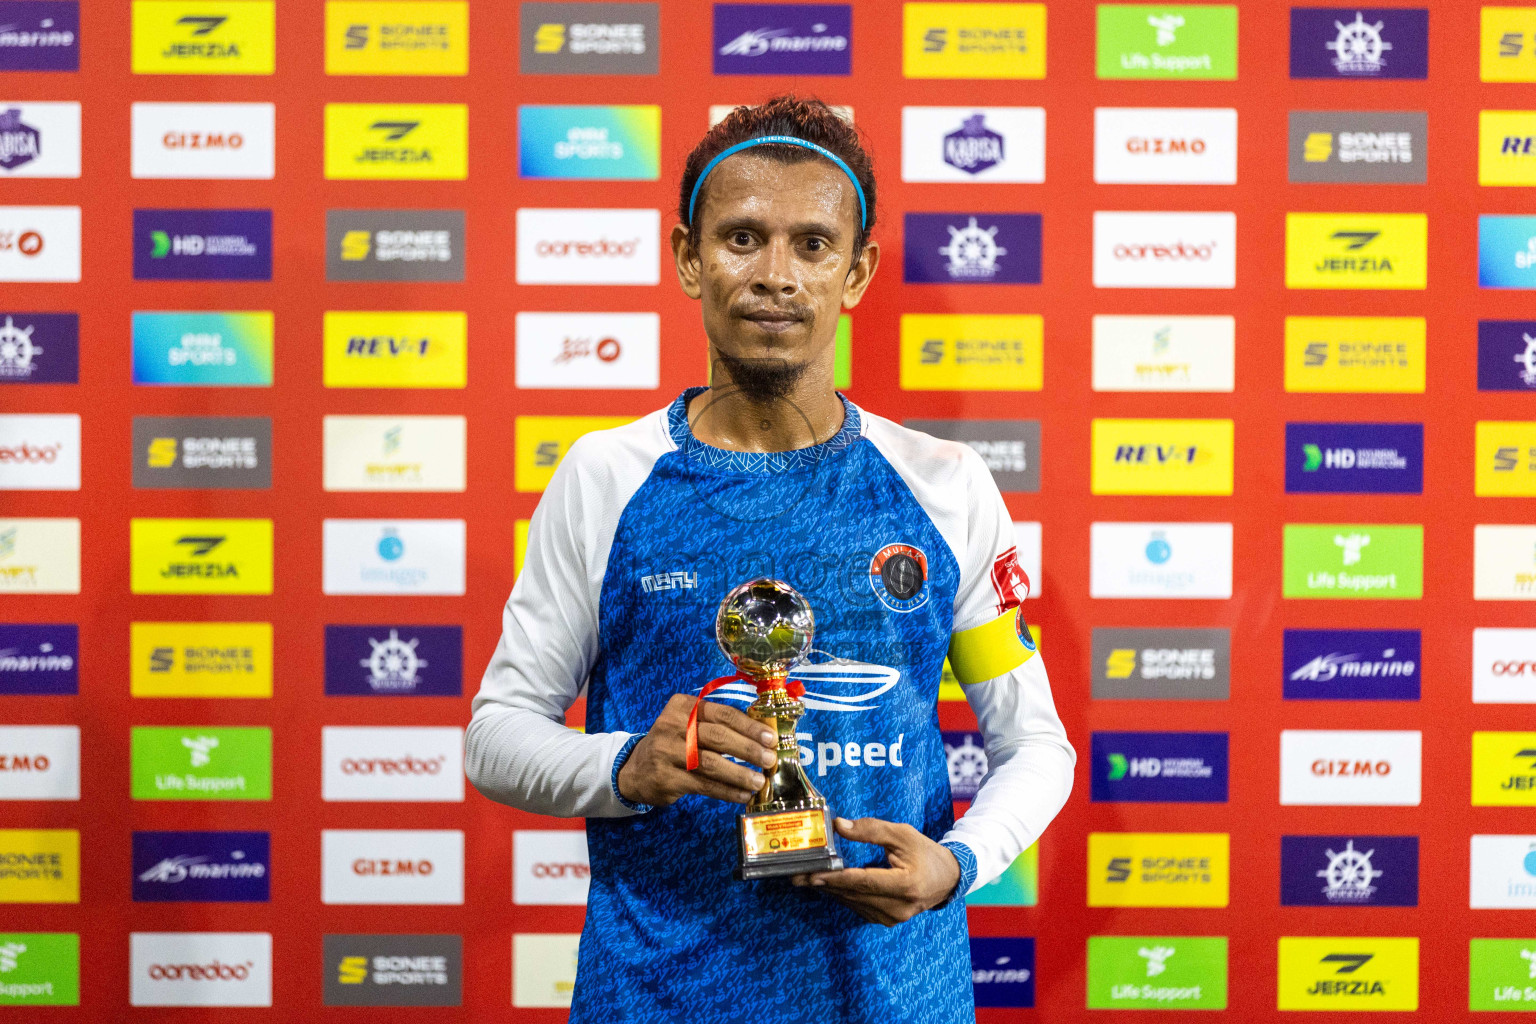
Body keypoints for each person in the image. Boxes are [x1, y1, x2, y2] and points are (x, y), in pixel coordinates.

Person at [466, 95, 1075, 1023]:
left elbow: (1035, 744)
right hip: (658, 995)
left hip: (894, 995)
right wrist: (627, 766)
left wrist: (960, 863)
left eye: (813, 245)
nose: (777, 276)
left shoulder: (945, 485)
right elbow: (498, 733)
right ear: (686, 258)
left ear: (857, 271)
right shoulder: (606, 475)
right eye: (743, 238)